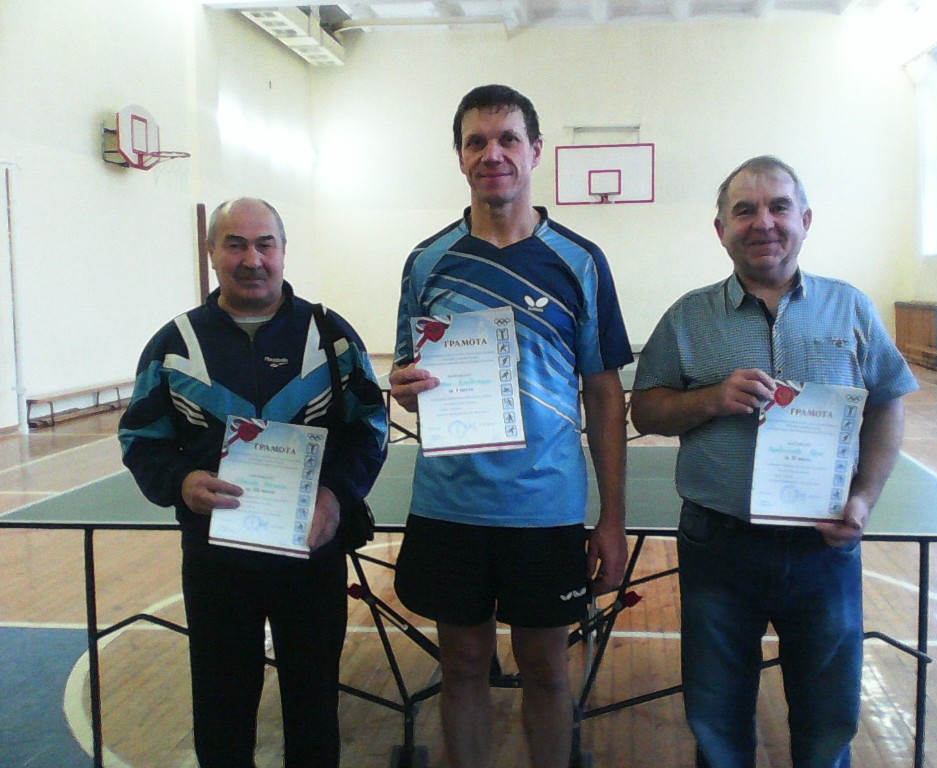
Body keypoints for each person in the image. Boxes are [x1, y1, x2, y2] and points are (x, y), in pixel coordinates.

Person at [630, 156, 918, 768]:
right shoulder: (688, 317)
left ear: (805, 220)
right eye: (745, 210)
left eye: (779, 207)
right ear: (721, 229)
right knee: (717, 721)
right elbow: (646, 410)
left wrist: (863, 497)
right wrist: (711, 399)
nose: (763, 222)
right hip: (718, 543)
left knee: (827, 722)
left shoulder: (850, 309)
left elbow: (889, 400)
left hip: (823, 549)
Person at [388, 84, 633, 768]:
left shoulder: (579, 261)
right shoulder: (427, 262)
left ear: (536, 151)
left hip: (545, 507)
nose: (492, 154)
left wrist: (612, 519)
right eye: (476, 141)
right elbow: (410, 378)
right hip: (451, 504)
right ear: (460, 156)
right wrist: (406, 390)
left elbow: (604, 395)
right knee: (463, 665)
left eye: (507, 139)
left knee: (547, 668)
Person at [118, 197, 388, 768]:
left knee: (314, 708)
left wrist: (337, 496)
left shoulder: (331, 336)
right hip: (215, 559)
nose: (252, 259)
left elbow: (370, 427)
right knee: (221, 707)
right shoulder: (174, 345)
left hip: (312, 552)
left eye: (265, 244)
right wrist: (182, 481)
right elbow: (140, 437)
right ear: (211, 252)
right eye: (235, 244)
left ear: (283, 251)